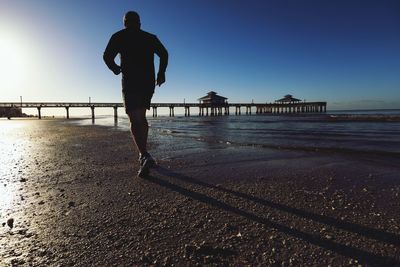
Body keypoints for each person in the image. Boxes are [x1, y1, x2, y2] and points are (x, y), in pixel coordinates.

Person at [103, 11, 168, 177]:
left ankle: (143, 154)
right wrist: (161, 73)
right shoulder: (149, 37)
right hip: (147, 82)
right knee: (142, 117)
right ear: (139, 23)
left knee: (134, 119)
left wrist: (115, 69)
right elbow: (164, 53)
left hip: (131, 82)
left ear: (125, 23)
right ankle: (144, 153)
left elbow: (106, 56)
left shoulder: (119, 36)